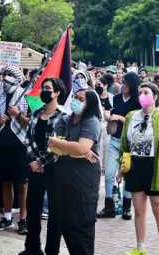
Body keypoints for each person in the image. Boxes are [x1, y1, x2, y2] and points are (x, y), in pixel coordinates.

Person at [119, 82, 159, 255]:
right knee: (139, 210)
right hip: (135, 167)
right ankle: (141, 248)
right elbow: (124, 145)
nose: (142, 95)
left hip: (154, 167)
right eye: (140, 92)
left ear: (155, 97)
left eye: (146, 92)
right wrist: (121, 169)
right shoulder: (130, 116)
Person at [45, 88, 102, 255]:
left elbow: (81, 147)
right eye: (75, 97)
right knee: (65, 220)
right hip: (64, 174)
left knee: (82, 222)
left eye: (81, 99)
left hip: (84, 178)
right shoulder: (65, 119)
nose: (76, 101)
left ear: (90, 103)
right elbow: (56, 147)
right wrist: (77, 150)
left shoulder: (92, 121)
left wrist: (68, 146)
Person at [20, 78, 67, 255]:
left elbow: (59, 146)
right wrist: (33, 160)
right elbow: (28, 139)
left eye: (48, 88)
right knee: (32, 208)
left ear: (57, 93)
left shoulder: (63, 117)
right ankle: (32, 248)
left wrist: (41, 162)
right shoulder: (36, 113)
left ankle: (51, 250)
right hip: (34, 168)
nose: (44, 91)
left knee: (55, 212)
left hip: (54, 168)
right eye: (43, 88)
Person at [0, 66, 29, 234]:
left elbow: (33, 124)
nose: (6, 78)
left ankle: (23, 220)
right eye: (4, 75)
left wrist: (18, 115)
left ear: (18, 78)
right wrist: (1, 120)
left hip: (21, 147)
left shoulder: (27, 96)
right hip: (1, 147)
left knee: (22, 185)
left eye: (10, 75)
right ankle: (6, 217)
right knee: (5, 183)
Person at [97, 71, 141, 219]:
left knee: (128, 175)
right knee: (109, 174)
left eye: (126, 83)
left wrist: (121, 118)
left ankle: (127, 208)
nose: (123, 86)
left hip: (130, 144)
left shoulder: (138, 101)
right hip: (115, 140)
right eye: (123, 82)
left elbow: (138, 122)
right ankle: (108, 206)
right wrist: (110, 117)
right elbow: (112, 113)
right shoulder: (116, 98)